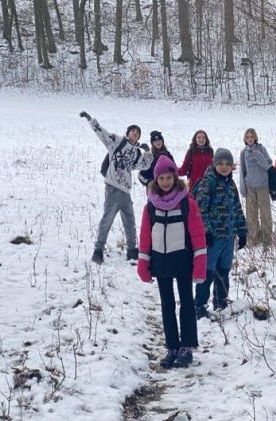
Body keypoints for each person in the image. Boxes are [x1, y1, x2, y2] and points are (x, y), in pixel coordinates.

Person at [136, 155, 207, 368]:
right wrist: (143, 263)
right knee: (167, 305)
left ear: (175, 178)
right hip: (161, 263)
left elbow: (197, 235)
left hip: (183, 261)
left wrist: (200, 264)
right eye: (161, 178)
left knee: (186, 303)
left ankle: (187, 347)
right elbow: (145, 237)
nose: (165, 182)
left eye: (169, 177)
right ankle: (172, 346)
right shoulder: (150, 207)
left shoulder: (187, 204)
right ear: (155, 180)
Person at [79, 111, 153, 265]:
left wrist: (148, 152)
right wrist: (90, 120)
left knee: (130, 221)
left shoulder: (136, 153)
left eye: (137, 132)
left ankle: (132, 250)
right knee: (107, 219)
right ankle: (98, 250)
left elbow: (145, 165)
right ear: (128, 133)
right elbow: (102, 133)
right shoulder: (117, 142)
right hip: (113, 187)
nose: (135, 133)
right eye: (133, 130)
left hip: (126, 191)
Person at [192, 148, 248, 320]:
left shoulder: (231, 185)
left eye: (228, 164)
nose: (224, 167)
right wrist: (206, 231)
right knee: (207, 272)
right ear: (214, 164)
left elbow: (237, 209)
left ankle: (220, 301)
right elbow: (200, 210)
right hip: (213, 238)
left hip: (229, 237)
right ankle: (199, 305)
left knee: (223, 270)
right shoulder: (207, 183)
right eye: (221, 164)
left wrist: (242, 231)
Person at [239, 128, 274, 247]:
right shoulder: (244, 152)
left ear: (255, 138)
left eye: (251, 137)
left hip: (263, 185)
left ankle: (267, 239)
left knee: (265, 213)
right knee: (251, 214)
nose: (249, 139)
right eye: (247, 137)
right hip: (250, 186)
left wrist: (258, 155)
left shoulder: (261, 149)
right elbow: (242, 171)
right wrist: (243, 187)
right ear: (245, 139)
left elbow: (268, 165)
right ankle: (254, 238)